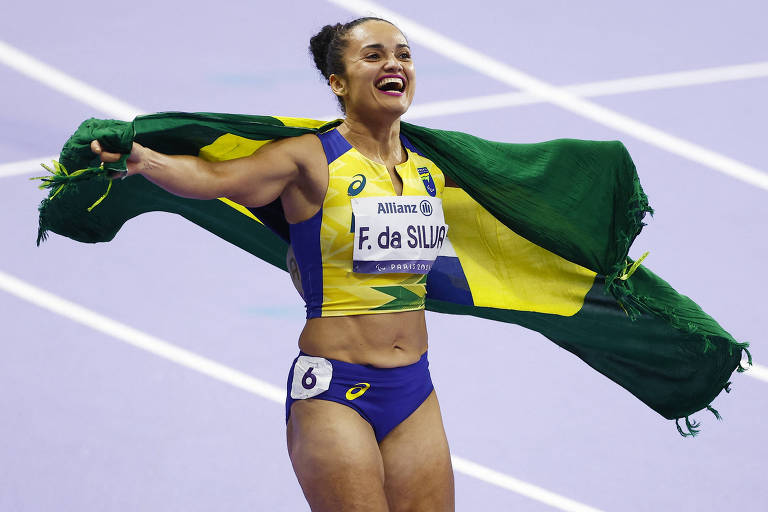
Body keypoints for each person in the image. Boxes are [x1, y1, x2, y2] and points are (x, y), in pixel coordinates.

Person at [91, 17, 455, 512]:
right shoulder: (309, 159)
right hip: (336, 393)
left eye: (403, 54)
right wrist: (146, 161)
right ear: (338, 83)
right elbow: (215, 178)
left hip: (415, 389)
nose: (393, 63)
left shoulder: (429, 170)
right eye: (373, 55)